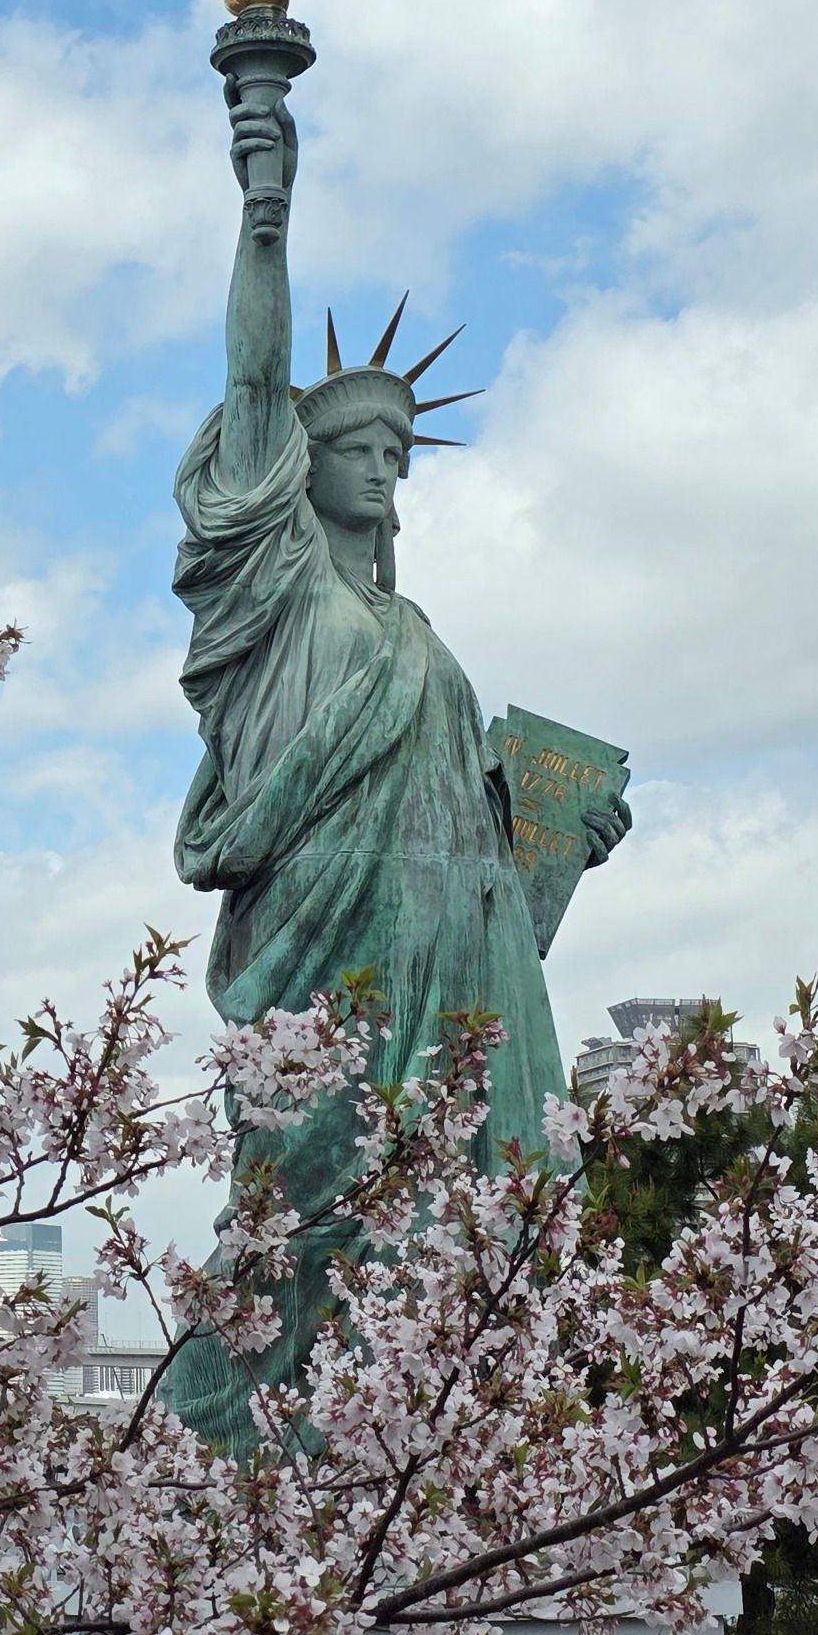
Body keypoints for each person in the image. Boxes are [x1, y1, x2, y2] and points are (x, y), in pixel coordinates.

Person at [160, 80, 629, 1453]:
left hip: (453, 965)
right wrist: (265, 202)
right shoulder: (277, 586)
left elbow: (484, 863)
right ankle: (266, 1423)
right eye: (359, 450)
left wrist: (554, 836)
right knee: (310, 1197)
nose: (384, 473)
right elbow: (255, 380)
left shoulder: (420, 633)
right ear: (295, 475)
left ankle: (452, 1427)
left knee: (461, 1200)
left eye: (396, 454)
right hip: (325, 950)